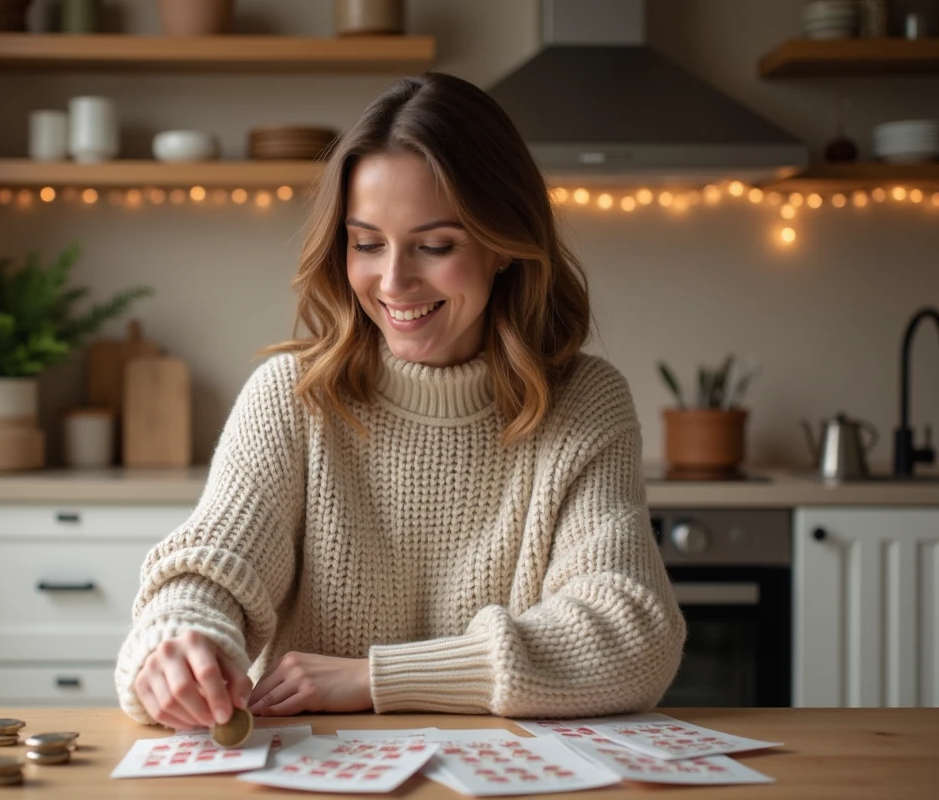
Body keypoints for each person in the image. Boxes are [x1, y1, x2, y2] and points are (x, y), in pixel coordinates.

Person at [114, 71, 686, 730]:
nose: (393, 282)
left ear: (503, 243)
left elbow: (634, 634)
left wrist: (377, 678)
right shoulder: (292, 398)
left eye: (434, 246)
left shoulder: (584, 403)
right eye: (366, 243)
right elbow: (213, 572)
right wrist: (181, 642)